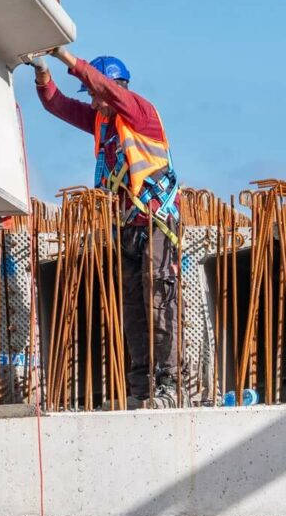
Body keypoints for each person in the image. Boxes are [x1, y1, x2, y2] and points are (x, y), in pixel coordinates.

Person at [32, 46, 182, 408]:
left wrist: (66, 58)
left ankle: (170, 386)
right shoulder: (103, 120)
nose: (94, 104)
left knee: (158, 298)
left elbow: (106, 91)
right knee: (132, 304)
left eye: (98, 96)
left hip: (156, 221)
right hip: (126, 226)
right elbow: (60, 106)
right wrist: (42, 72)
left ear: (115, 88)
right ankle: (141, 386)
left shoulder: (139, 112)